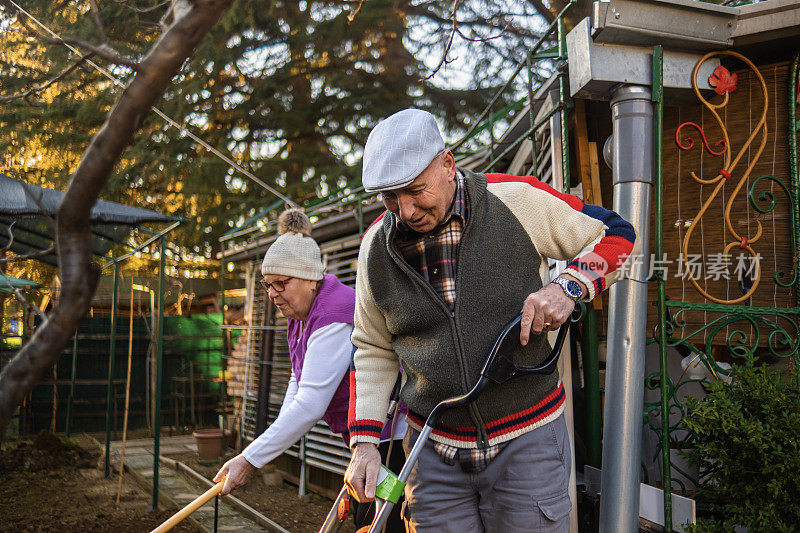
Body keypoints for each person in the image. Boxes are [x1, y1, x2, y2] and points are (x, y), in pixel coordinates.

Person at [344, 109, 636, 532]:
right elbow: (371, 348)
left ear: (447, 164)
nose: (405, 211)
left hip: (527, 444)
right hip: (432, 454)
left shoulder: (516, 199)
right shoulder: (375, 248)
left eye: (415, 190)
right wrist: (365, 444)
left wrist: (569, 287)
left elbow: (617, 235)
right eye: (390, 198)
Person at [213, 208, 406, 532]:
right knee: (367, 516)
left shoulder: (334, 314)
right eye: (267, 285)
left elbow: (311, 402)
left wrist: (250, 459)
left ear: (310, 279)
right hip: (365, 438)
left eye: (280, 283)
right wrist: (269, 443)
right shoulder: (300, 316)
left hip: (391, 434)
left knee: (388, 522)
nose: (273, 293)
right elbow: (298, 380)